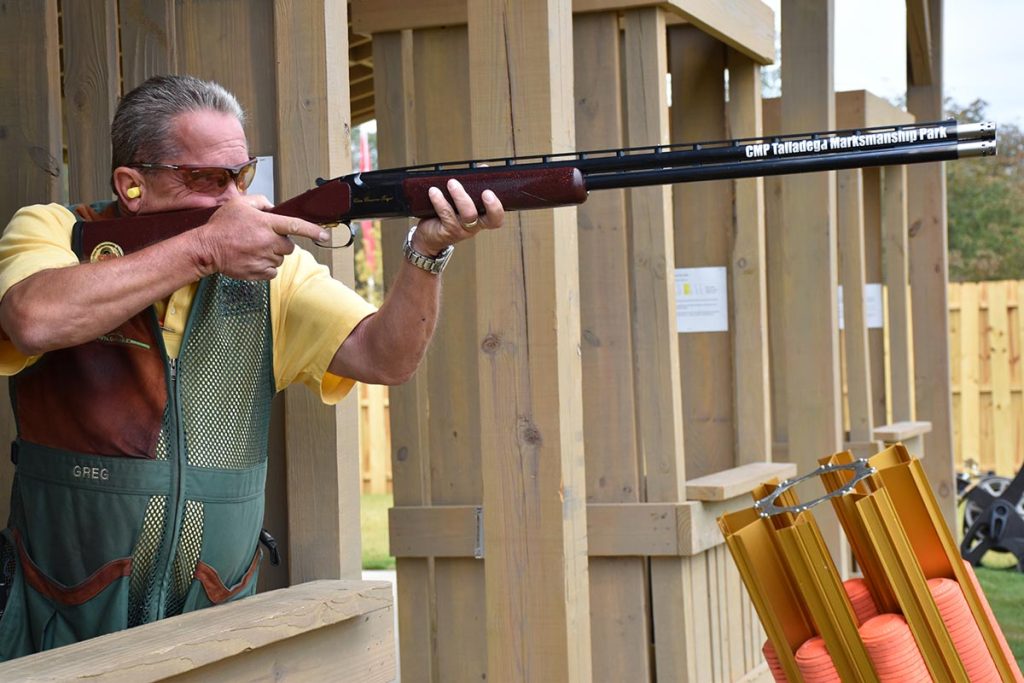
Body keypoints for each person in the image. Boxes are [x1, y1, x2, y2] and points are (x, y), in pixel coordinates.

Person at [0, 74, 504, 658]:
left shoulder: (270, 273)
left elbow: (383, 357)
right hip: (56, 618)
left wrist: (427, 253)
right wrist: (204, 249)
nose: (235, 200)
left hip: (214, 630)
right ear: (131, 186)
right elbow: (32, 319)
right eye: (208, 180)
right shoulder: (55, 231)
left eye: (240, 176)